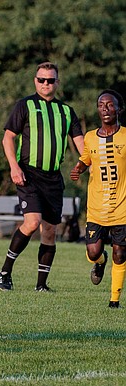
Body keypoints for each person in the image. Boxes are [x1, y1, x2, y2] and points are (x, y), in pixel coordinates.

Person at [0, 62, 84, 292]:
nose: (46, 84)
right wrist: (14, 168)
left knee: (49, 230)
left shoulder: (66, 111)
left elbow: (82, 144)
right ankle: (5, 272)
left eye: (51, 80)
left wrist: (86, 163)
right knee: (32, 222)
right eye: (41, 80)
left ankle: (41, 285)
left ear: (57, 82)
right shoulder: (24, 105)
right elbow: (8, 138)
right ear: (35, 81)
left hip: (53, 178)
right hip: (28, 174)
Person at [70, 89, 126, 308]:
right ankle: (99, 262)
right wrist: (79, 168)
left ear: (118, 109)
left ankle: (114, 300)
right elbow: (85, 158)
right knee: (93, 252)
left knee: (120, 254)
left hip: (122, 207)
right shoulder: (91, 137)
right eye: (101, 105)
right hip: (96, 207)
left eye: (110, 105)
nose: (105, 109)